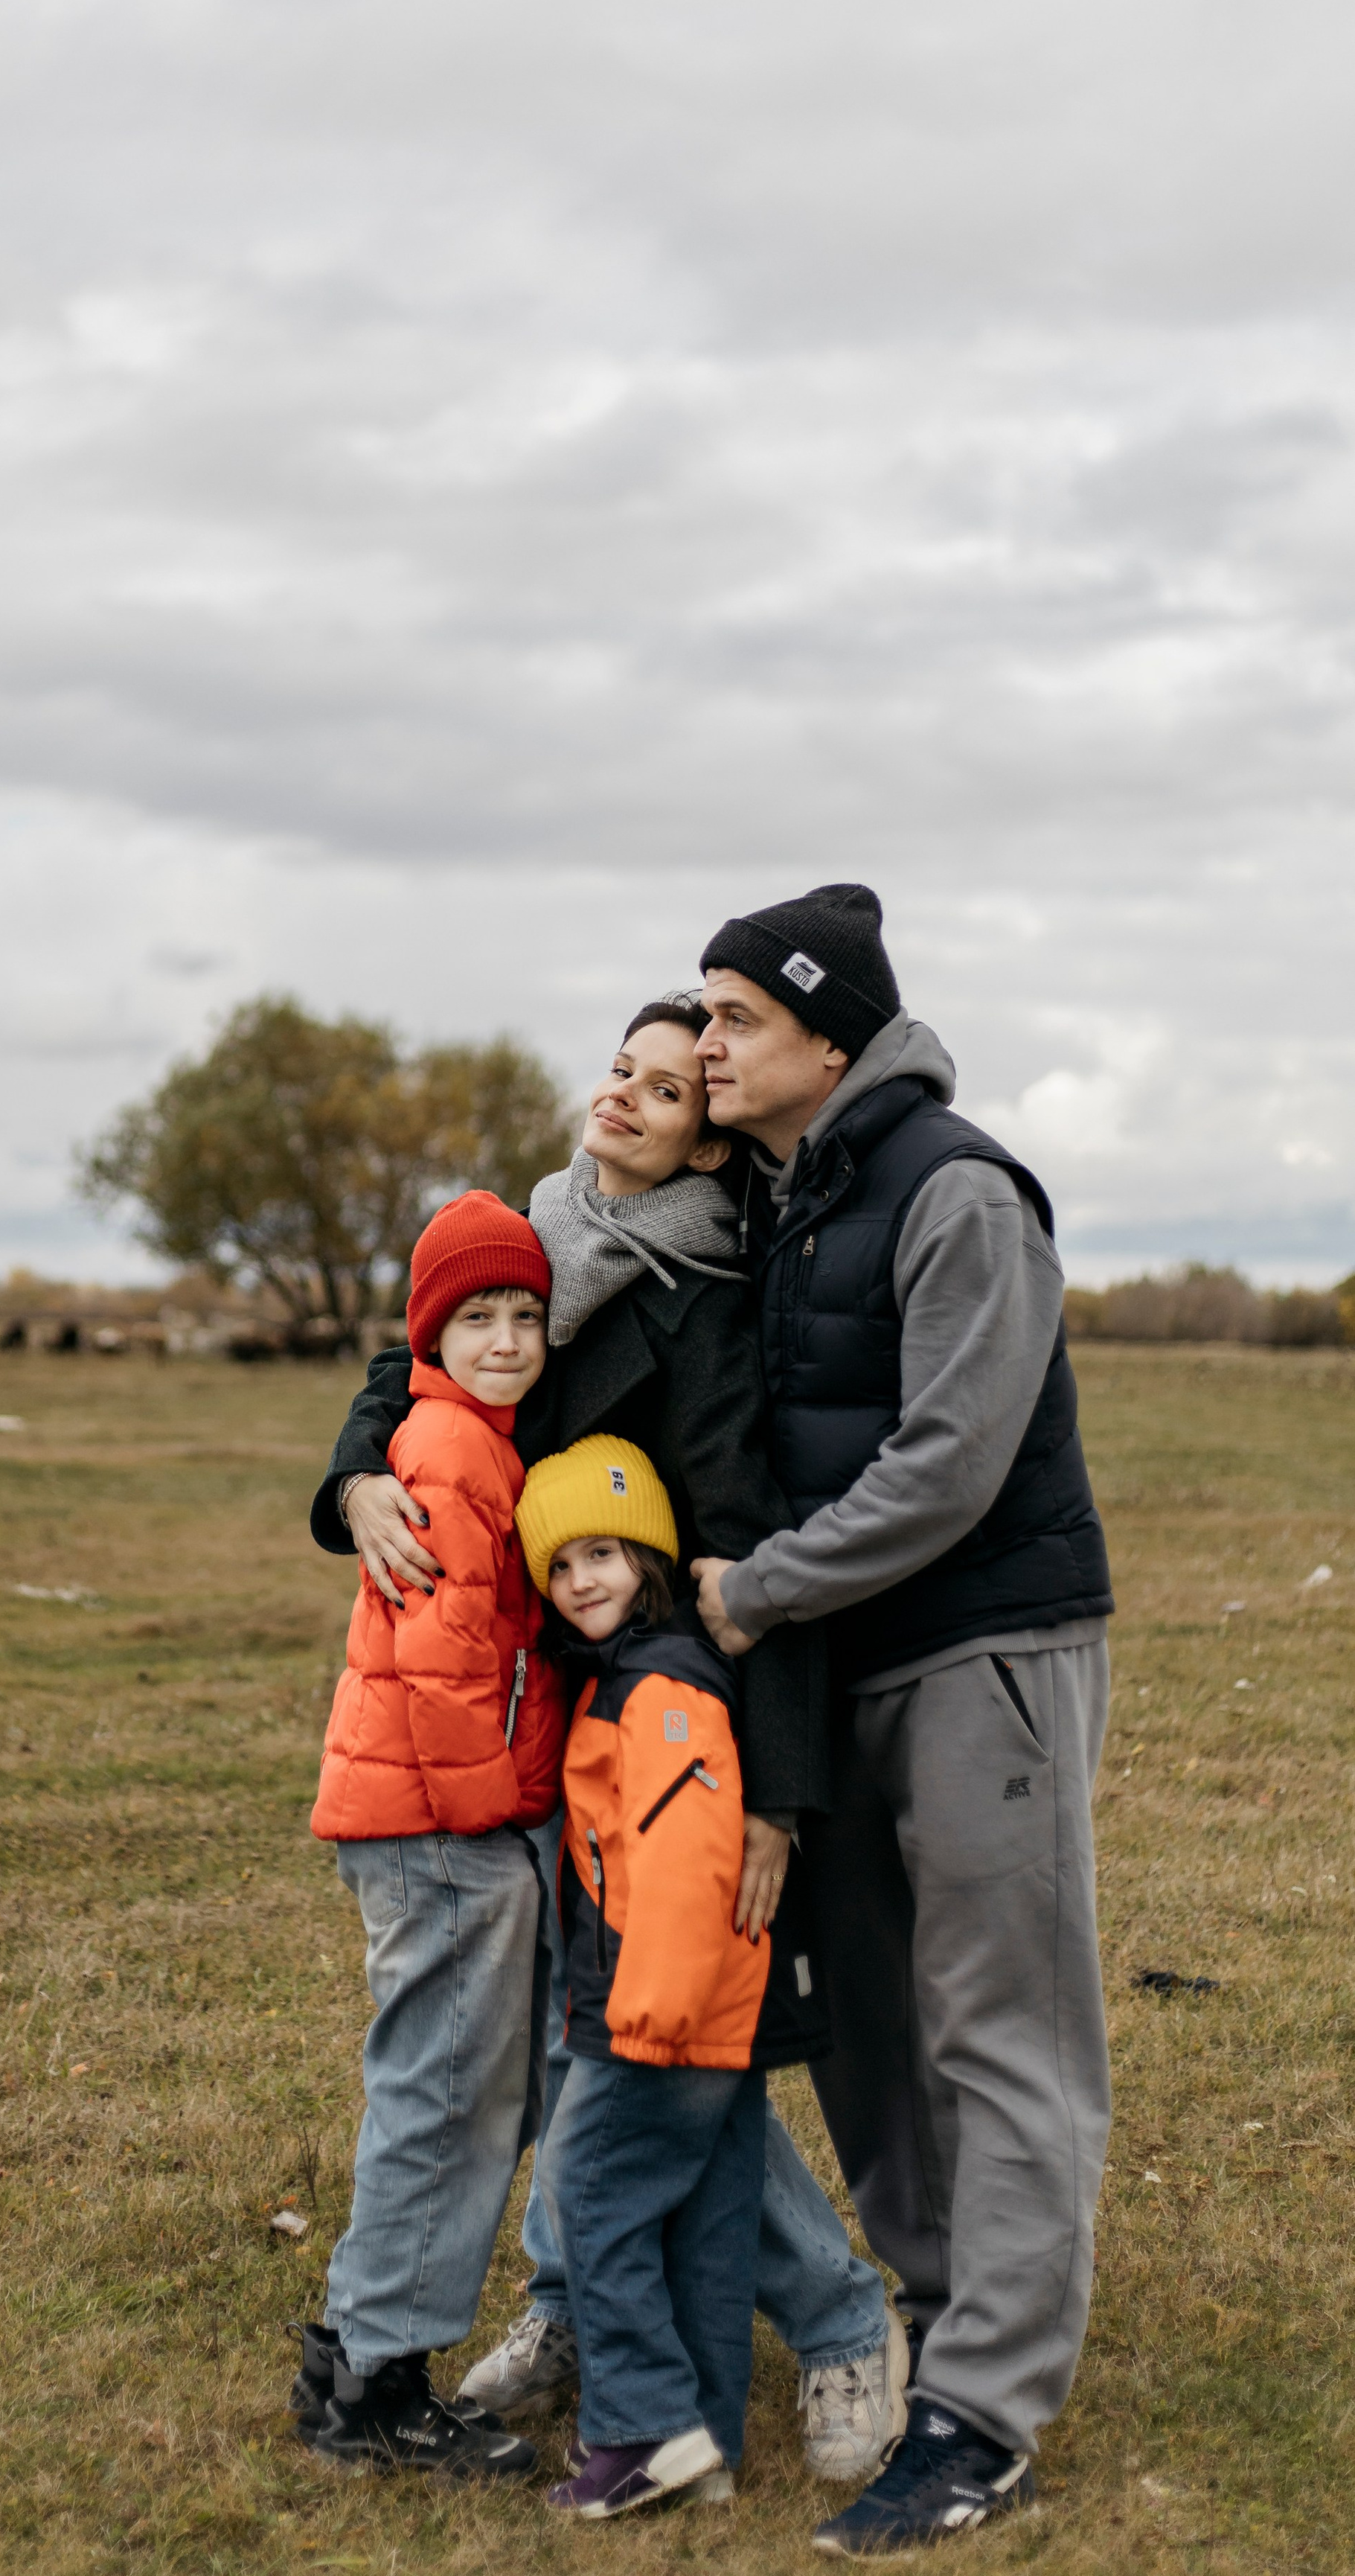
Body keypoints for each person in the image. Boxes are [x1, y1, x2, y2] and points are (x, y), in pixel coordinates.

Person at [311, 997, 908, 2484]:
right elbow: (410, 1364)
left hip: (660, 1713)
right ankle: (579, 2307)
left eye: (666, 1089)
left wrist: (770, 1793)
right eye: (619, 1070)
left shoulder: (706, 1305)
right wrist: (353, 1480)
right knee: (591, 2048)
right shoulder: (537, 1238)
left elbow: (757, 1552)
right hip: (534, 1729)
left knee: (665, 2047)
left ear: (706, 1145)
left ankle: (840, 2322)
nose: (625, 1098)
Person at [689, 882, 1114, 2559]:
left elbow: (948, 1461)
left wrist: (757, 1590)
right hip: (835, 1669)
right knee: (866, 2024)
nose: (705, 1043)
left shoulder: (957, 1191)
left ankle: (982, 2418)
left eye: (735, 1016)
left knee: (1000, 2027)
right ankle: (945, 2320)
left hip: (980, 1648)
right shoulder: (778, 1200)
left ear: (830, 1038)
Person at [295, 1189, 569, 2478]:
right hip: (443, 1822)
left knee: (453, 2083)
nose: (507, 1340)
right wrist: (492, 1818)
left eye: (526, 1316)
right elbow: (445, 1660)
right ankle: (375, 2384)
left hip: (432, 1815)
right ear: (429, 1336)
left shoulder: (474, 1435)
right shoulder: (454, 1449)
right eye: (478, 1319)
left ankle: (358, 2354)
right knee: (447, 2089)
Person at [516, 1436, 818, 2517]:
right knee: (708, 2222)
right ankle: (706, 2443)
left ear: (650, 1559)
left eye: (604, 1552)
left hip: (662, 2013)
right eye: (560, 1565)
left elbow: (691, 1863)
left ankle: (640, 2429)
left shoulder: (662, 1690)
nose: (581, 1579)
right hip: (692, 2013)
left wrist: (649, 2015)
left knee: (592, 2193)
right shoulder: (634, 1678)